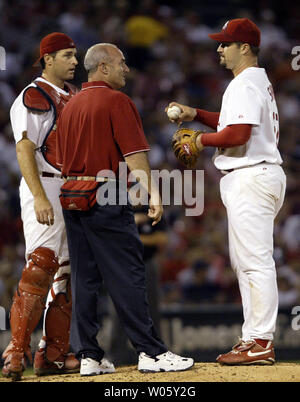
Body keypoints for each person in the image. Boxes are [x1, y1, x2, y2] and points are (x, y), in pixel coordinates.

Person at [56, 43, 194, 376]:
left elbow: (61, 158)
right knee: (128, 273)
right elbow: (134, 154)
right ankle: (150, 352)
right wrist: (152, 194)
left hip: (72, 194)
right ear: (103, 67)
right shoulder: (117, 101)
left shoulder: (71, 104)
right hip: (106, 192)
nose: (126, 69)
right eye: (121, 64)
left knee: (85, 278)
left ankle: (88, 355)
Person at [166, 18, 286, 365]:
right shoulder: (255, 81)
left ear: (244, 48)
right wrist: (196, 115)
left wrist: (199, 139)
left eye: (226, 43)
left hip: (252, 174)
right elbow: (233, 122)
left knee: (255, 263)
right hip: (255, 174)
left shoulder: (246, 82)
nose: (219, 48)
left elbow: (237, 135)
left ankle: (261, 340)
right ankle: (253, 338)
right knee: (246, 263)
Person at [2, 32, 81, 381]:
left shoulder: (71, 95)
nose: (75, 61)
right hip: (46, 183)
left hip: (70, 186)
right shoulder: (32, 96)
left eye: (75, 55)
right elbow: (24, 148)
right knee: (40, 268)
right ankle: (14, 353)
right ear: (47, 58)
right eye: (67, 55)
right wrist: (37, 195)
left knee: (62, 274)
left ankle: (51, 354)